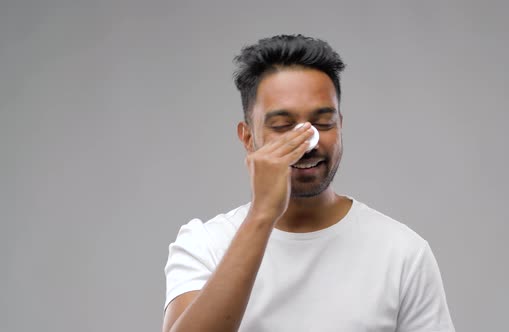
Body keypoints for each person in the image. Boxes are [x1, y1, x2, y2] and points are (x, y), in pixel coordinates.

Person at [162, 34, 455, 332]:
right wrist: (263, 214)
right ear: (248, 137)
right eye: (282, 126)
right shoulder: (205, 244)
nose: (307, 142)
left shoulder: (404, 253)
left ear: (341, 125)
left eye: (324, 122)